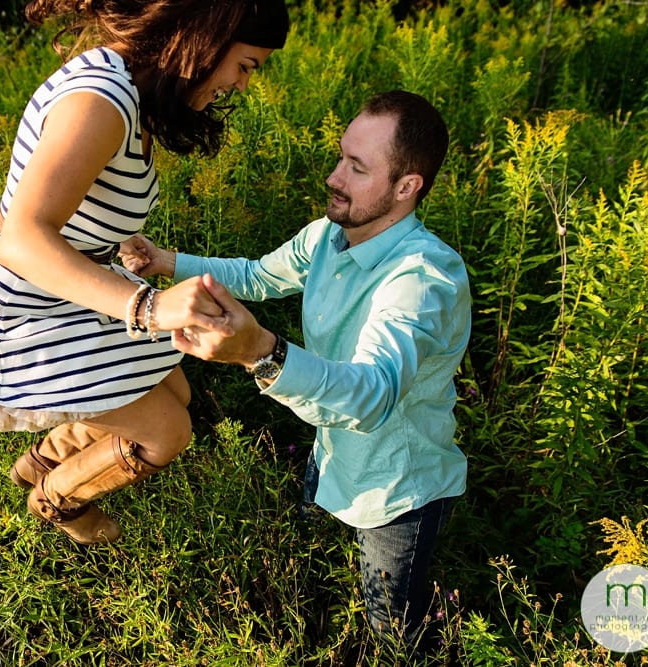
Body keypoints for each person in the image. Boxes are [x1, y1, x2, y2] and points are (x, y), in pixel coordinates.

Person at [0, 0, 290, 546]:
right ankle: (58, 504)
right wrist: (148, 307)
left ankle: (38, 466)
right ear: (208, 34)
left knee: (173, 387)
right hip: (13, 309)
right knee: (169, 432)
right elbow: (22, 238)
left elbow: (74, 195)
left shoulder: (127, 86)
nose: (240, 85)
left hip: (58, 291)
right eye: (246, 65)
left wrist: (114, 237)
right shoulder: (101, 99)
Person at [120, 90, 471, 643]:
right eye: (340, 157)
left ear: (407, 188)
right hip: (329, 456)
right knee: (310, 571)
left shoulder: (422, 277)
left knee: (393, 630)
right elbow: (260, 275)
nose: (334, 177)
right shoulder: (328, 237)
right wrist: (166, 261)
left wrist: (261, 351)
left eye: (357, 168)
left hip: (396, 489)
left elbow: (374, 395)